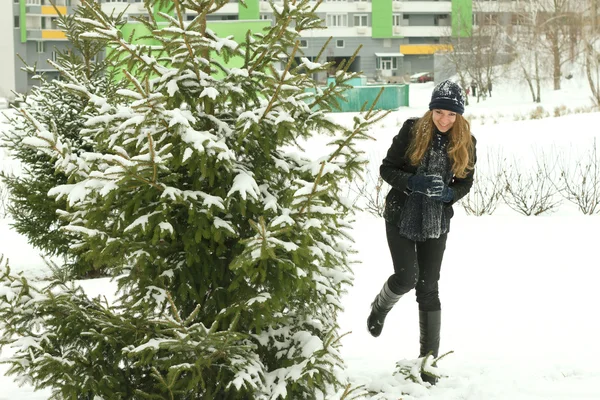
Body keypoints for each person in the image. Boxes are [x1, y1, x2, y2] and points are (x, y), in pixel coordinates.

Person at [367, 80, 477, 384]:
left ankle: (428, 363)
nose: (444, 119)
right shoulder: (412, 131)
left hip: (436, 220)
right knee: (407, 277)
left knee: (429, 287)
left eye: (451, 115)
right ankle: (379, 307)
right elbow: (387, 169)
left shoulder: (466, 141)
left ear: (459, 116)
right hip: (400, 213)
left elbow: (465, 182)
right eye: (439, 112)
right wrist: (412, 183)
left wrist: (448, 195)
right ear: (431, 110)